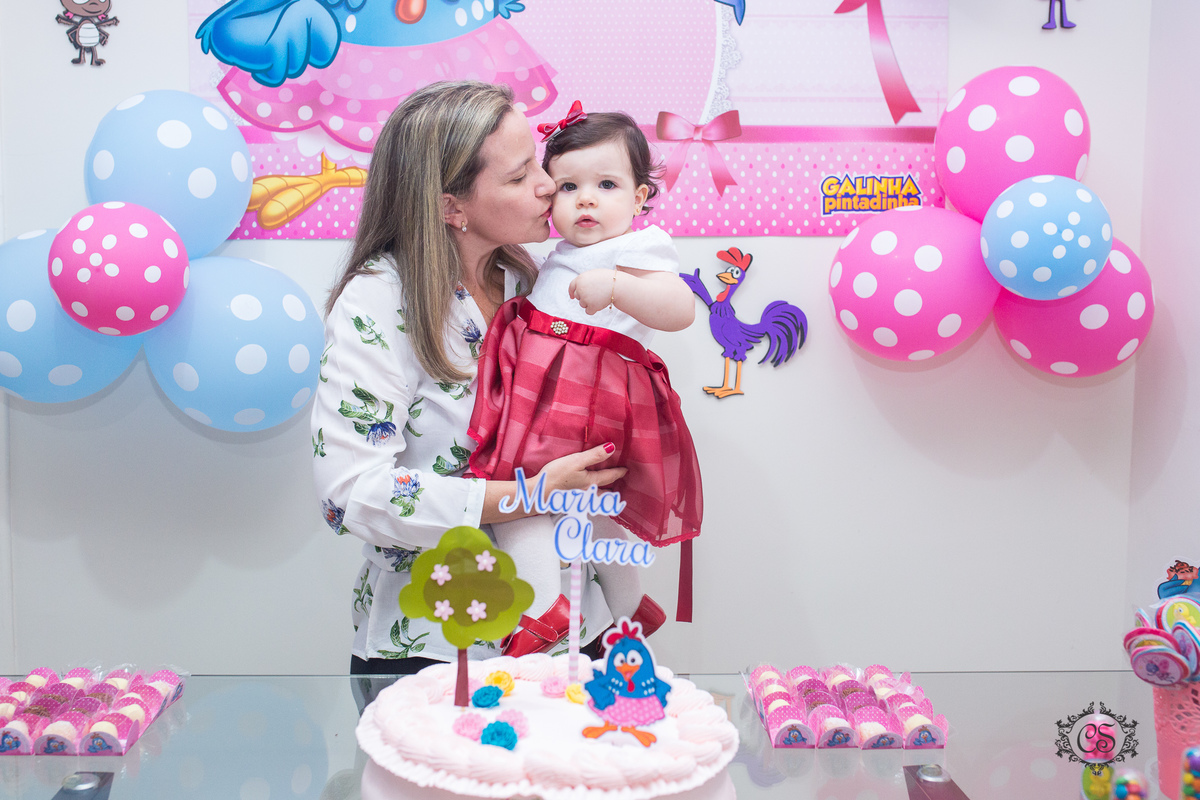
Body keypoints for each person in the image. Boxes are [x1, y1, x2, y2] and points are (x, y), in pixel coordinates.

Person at [310, 81, 625, 686]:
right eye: (518, 176)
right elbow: (348, 493)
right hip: (439, 642)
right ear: (451, 207)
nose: (547, 184)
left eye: (539, 160)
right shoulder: (378, 301)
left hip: (573, 623)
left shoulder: (534, 283)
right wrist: (526, 494)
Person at [467, 105, 704, 657]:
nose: (586, 199)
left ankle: (542, 608)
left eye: (606, 184)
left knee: (525, 498)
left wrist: (618, 286)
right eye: (568, 186)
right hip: (549, 400)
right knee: (592, 511)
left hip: (587, 402)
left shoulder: (635, 250)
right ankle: (629, 606)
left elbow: (679, 308)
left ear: (641, 197)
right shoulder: (552, 256)